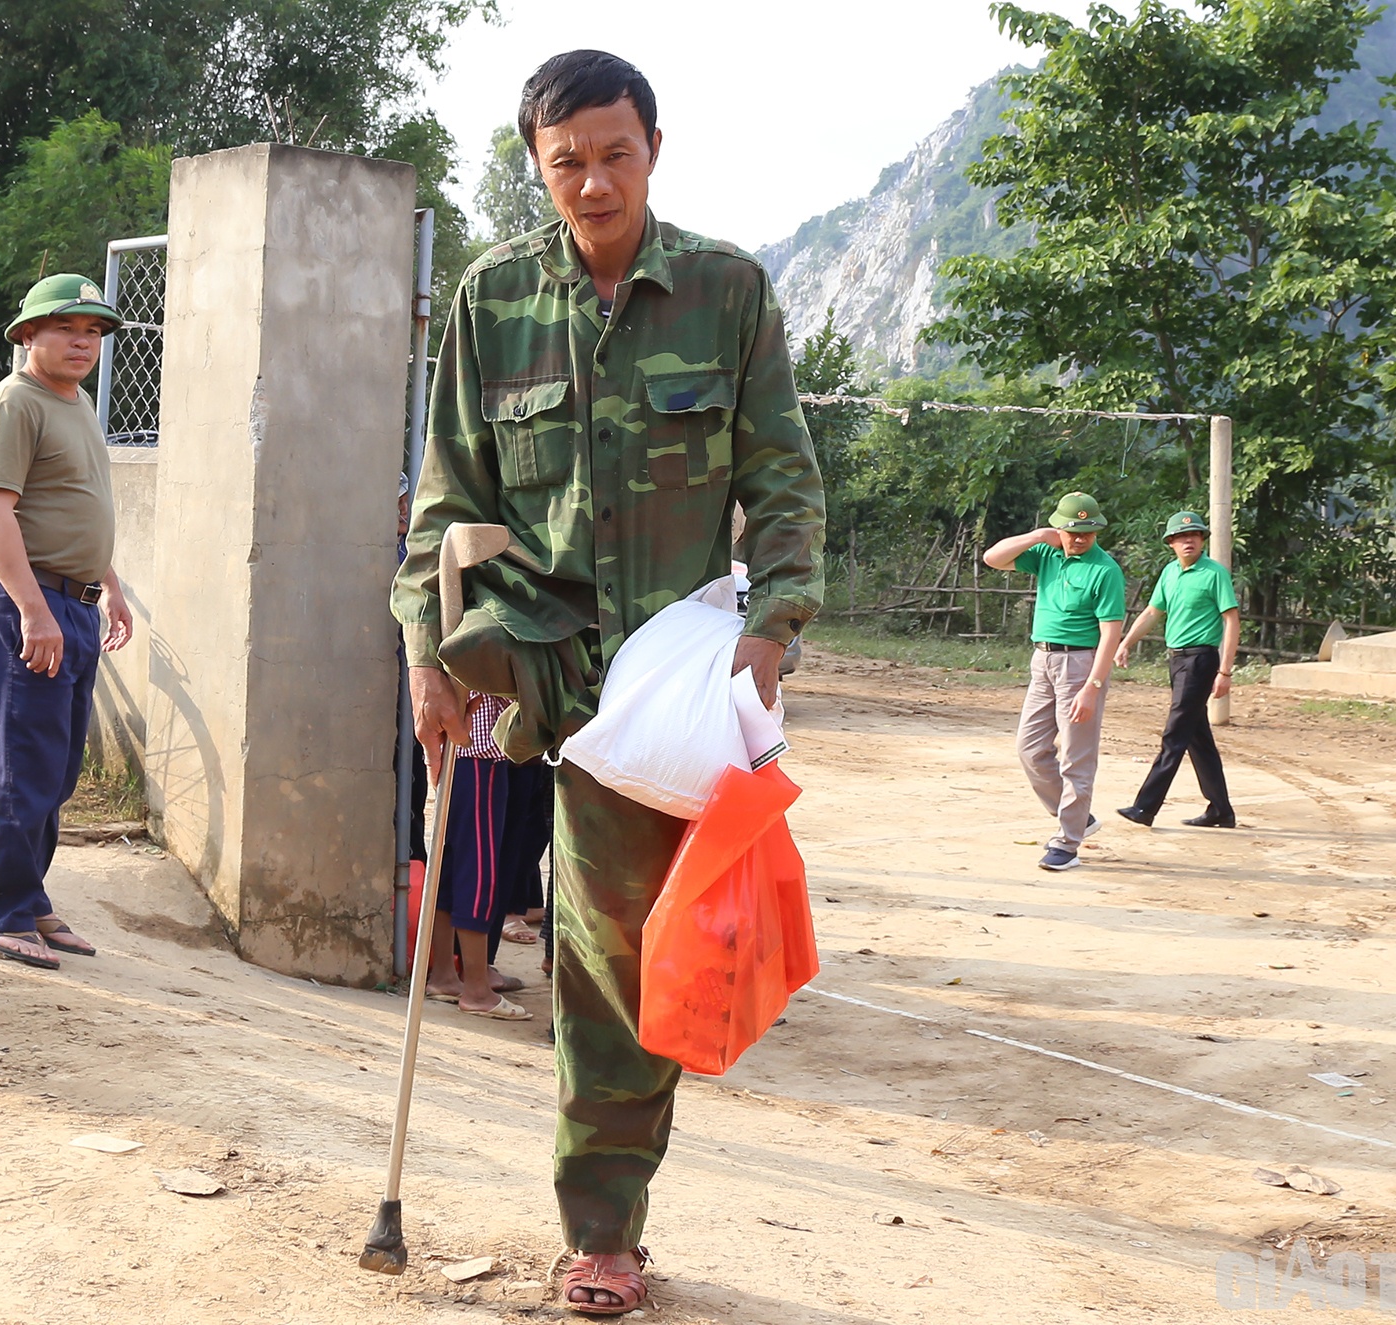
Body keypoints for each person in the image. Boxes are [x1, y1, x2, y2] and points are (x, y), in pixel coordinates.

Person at [392, 50, 825, 1316]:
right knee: (579, 927)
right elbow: (448, 498)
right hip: (534, 648)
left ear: (653, 147)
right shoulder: (490, 299)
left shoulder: (726, 291)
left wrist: (773, 622)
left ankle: (605, 1224)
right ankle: (601, 1224)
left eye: (613, 153)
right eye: (564, 159)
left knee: (612, 948)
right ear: (535, 163)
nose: (592, 181)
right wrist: (427, 651)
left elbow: (782, 475)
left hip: (666, 675)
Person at [0, 273, 135, 969]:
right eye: (68, 327)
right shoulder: (14, 403)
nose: (83, 341)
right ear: (28, 334)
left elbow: (75, 502)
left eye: (94, 330)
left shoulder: (79, 401)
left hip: (78, 602)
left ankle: (32, 900)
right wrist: (35, 611)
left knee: (58, 769)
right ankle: (2, 913)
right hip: (29, 605)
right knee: (23, 769)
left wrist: (110, 585)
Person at [983, 492, 1126, 872]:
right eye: (1072, 531)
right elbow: (992, 558)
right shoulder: (1047, 555)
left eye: (1088, 532)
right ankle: (1080, 817)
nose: (1079, 539)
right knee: (1029, 749)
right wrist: (1037, 535)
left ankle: (1068, 841)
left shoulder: (1105, 570)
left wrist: (1093, 687)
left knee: (1076, 756)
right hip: (1042, 659)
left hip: (1080, 663)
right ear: (1059, 528)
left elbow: (1111, 632)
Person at [421, 690, 554, 1018]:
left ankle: (445, 975)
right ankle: (477, 988)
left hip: (464, 749)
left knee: (453, 864)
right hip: (480, 749)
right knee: (477, 869)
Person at [1114, 511, 1240, 828]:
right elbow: (1153, 612)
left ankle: (1145, 807)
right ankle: (1221, 810)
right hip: (1178, 660)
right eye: (1182, 537)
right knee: (1198, 738)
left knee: (1174, 735)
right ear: (1171, 542)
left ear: (1202, 540)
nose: (1189, 541)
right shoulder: (1170, 573)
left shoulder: (1214, 574)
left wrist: (1225, 672)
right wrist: (1125, 642)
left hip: (1201, 660)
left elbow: (1231, 621)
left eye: (1195, 536)